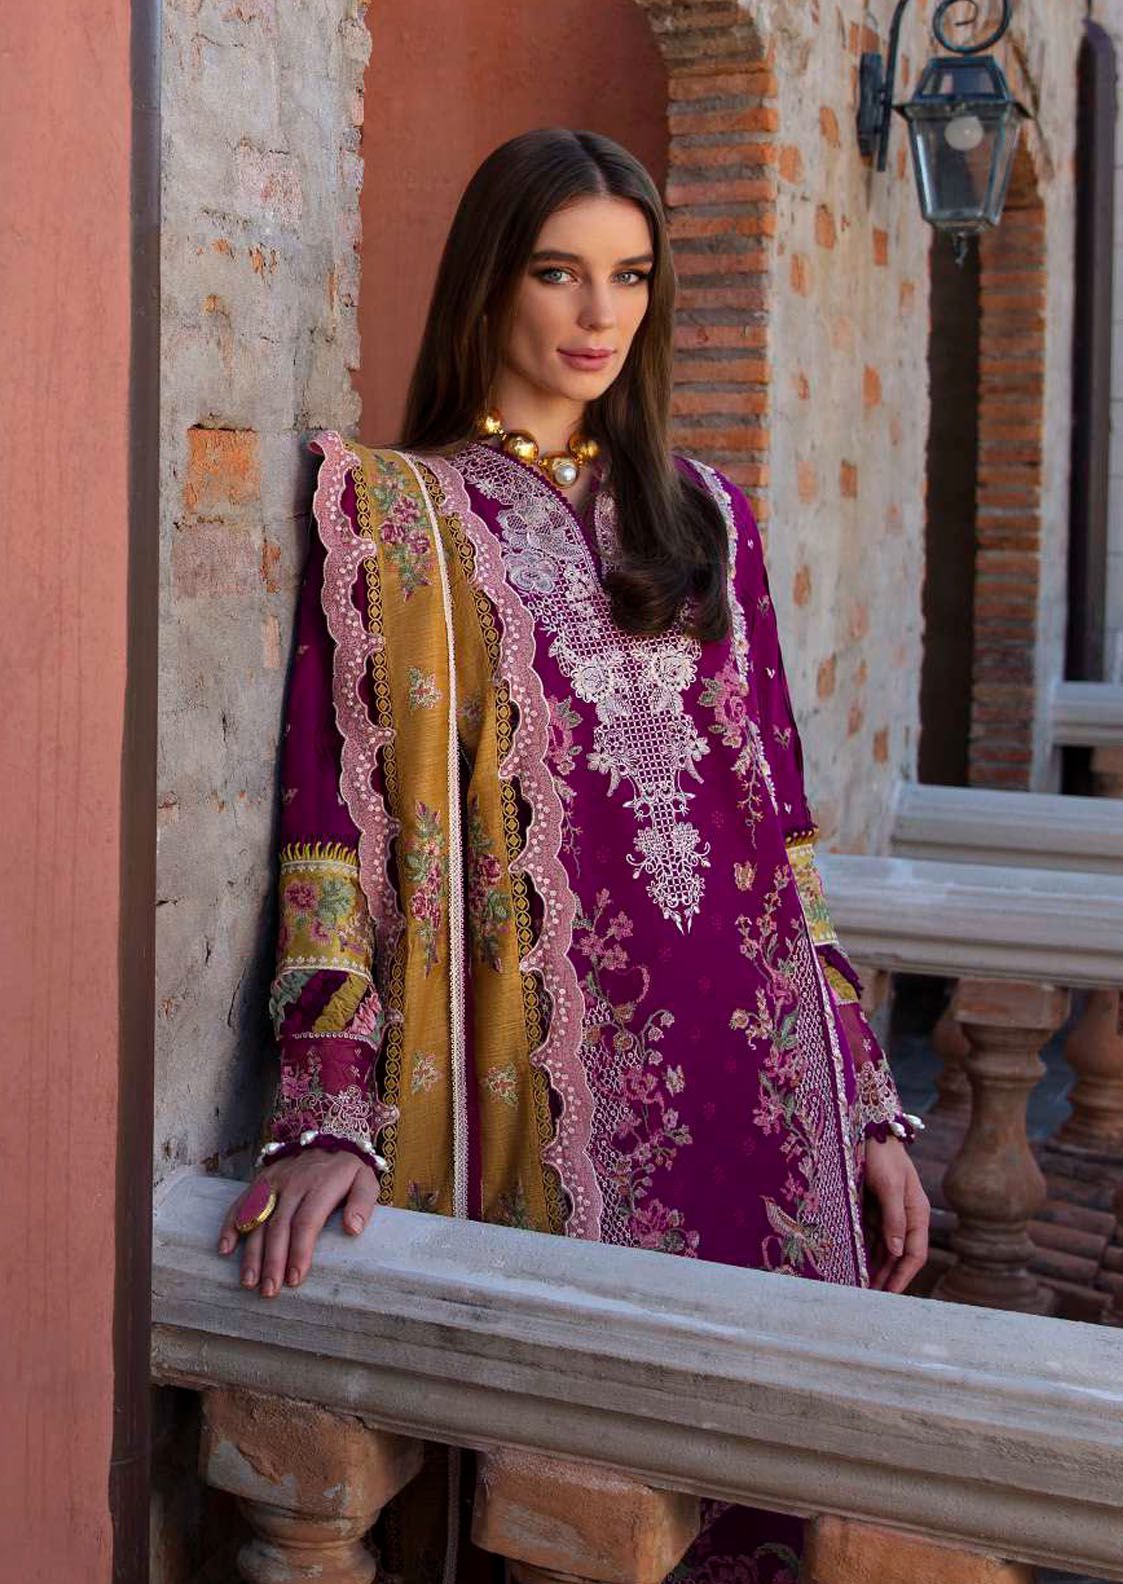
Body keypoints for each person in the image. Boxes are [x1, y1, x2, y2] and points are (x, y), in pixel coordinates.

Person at [217, 127, 929, 1583]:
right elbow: (330, 835)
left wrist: (861, 1096)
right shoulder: (395, 520)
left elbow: (782, 842)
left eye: (632, 276)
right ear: (489, 282)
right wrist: (328, 1108)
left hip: (758, 1093)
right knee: (577, 1501)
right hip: (545, 1087)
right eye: (559, 273)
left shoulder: (711, 521)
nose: (601, 315)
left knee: (754, 1492)